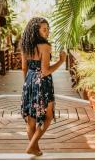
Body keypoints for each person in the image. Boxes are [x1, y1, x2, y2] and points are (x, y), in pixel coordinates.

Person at [20, 17, 67, 156]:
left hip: (28, 81)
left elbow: (24, 68)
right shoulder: (45, 47)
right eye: (44, 29)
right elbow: (45, 71)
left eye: (48, 29)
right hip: (42, 83)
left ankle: (35, 149)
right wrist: (61, 61)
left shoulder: (25, 46)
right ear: (36, 31)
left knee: (31, 120)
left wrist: (27, 85)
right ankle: (31, 146)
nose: (47, 32)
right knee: (48, 116)